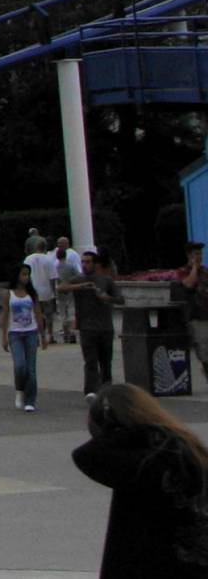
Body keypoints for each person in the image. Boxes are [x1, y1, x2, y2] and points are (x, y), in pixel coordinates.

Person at [72, 382, 208, 576]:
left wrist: (115, 424)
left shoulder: (146, 462)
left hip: (153, 563)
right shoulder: (182, 447)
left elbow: (86, 455)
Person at [62, 248, 122, 398]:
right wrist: (80, 287)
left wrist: (105, 298)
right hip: (87, 328)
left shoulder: (105, 280)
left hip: (105, 327)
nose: (84, 264)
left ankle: (107, 389)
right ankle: (91, 391)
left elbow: (120, 299)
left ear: (95, 264)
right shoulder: (79, 279)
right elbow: (61, 287)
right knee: (90, 361)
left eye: (88, 262)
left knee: (106, 361)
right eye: (83, 262)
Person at [3, 262, 42, 413]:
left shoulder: (32, 293)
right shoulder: (9, 293)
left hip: (31, 332)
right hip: (15, 333)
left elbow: (38, 313)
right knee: (20, 366)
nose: (26, 277)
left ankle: (30, 400)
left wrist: (42, 334)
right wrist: (4, 336)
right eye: (23, 274)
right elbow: (5, 314)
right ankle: (20, 389)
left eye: (28, 274)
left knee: (31, 369)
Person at [24, 238, 61, 346]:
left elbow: (25, 276)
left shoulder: (28, 259)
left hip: (33, 291)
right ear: (45, 248)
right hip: (47, 292)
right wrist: (54, 292)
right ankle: (50, 335)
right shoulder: (48, 259)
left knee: (35, 315)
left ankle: (36, 337)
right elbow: (53, 278)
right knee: (49, 315)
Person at [182, 242, 208, 385]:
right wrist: (194, 268)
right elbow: (188, 284)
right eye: (196, 254)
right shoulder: (183, 271)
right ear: (189, 255)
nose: (199, 257)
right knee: (204, 352)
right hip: (196, 317)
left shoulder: (206, 271)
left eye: (200, 254)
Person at [54, 238, 85, 344]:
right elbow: (79, 275)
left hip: (59, 291)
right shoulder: (70, 266)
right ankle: (71, 333)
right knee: (71, 310)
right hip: (70, 290)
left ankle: (66, 332)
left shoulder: (55, 266)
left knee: (62, 312)